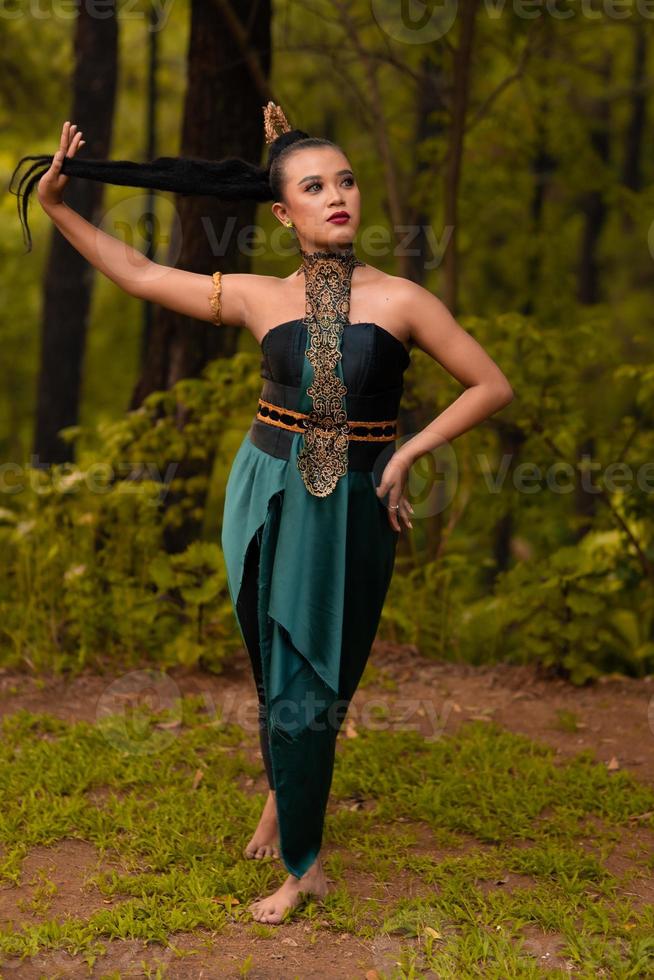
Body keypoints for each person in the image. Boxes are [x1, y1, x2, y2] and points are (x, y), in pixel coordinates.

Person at [11, 103, 514, 925]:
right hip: (265, 482)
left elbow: (490, 384)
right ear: (283, 213)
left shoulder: (403, 301)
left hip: (350, 500)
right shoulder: (255, 296)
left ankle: (302, 866)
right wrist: (61, 207)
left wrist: (411, 452)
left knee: (319, 669)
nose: (337, 196)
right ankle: (288, 793)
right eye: (314, 186)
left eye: (345, 181)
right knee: (274, 658)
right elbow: (140, 275)